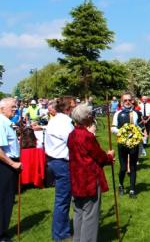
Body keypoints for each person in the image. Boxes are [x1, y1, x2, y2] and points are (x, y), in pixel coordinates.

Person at [68, 104, 114, 242]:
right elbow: (99, 156)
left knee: (79, 212)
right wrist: (110, 157)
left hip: (76, 179)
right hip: (89, 180)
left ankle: (78, 239)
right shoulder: (87, 136)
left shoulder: (72, 134)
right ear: (87, 118)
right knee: (90, 215)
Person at [45, 96, 76, 241]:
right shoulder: (64, 122)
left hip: (53, 161)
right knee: (63, 200)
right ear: (68, 108)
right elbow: (73, 143)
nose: (76, 108)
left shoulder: (56, 119)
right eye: (74, 106)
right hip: (62, 163)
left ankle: (61, 230)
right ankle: (61, 234)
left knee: (62, 199)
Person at [110, 93, 144, 199]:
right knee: (123, 168)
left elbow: (138, 126)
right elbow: (113, 128)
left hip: (134, 143)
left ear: (132, 101)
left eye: (129, 100)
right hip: (122, 143)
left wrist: (139, 131)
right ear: (121, 102)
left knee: (133, 167)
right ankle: (121, 185)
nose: (128, 102)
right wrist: (122, 131)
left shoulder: (136, 113)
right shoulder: (118, 114)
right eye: (125, 100)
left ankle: (132, 190)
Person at [0, 98, 20, 242]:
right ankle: (1, 234)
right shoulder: (1, 123)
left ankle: (3, 230)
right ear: (2, 108)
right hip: (6, 165)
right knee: (4, 200)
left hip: (10, 164)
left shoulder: (7, 122)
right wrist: (12, 164)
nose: (15, 109)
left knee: (8, 199)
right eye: (12, 107)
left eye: (16, 107)